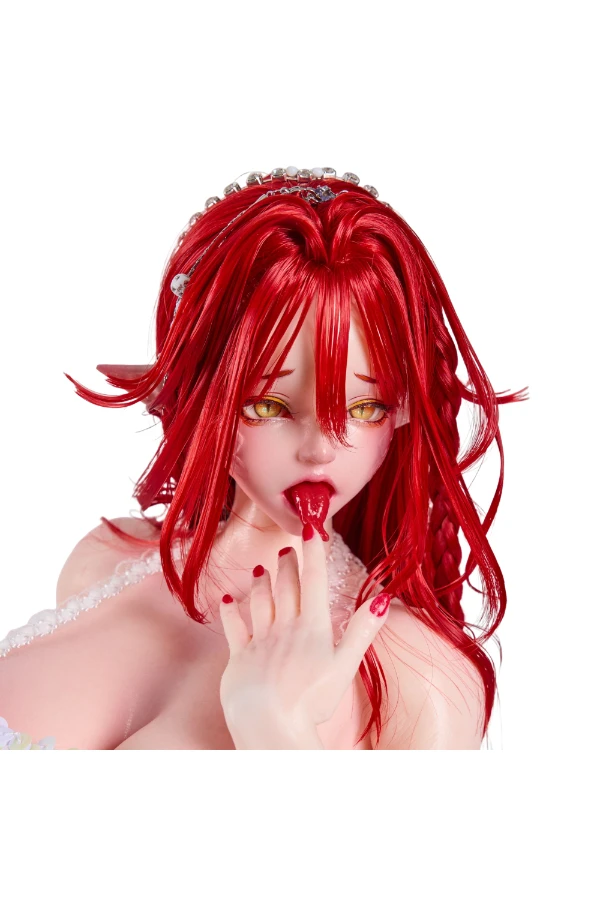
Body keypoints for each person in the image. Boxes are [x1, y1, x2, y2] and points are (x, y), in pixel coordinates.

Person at [0, 166, 526, 750]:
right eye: (270, 405)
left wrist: (278, 738)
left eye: (365, 408)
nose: (320, 449)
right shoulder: (101, 561)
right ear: (204, 395)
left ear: (403, 408)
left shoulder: (422, 678)